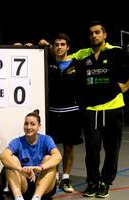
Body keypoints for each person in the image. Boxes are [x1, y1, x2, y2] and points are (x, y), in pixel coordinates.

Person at [71, 21, 129, 198]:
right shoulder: (83, 54)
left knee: (112, 149)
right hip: (91, 109)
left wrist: (126, 86)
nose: (94, 36)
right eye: (91, 33)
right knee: (92, 148)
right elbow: (63, 57)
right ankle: (93, 181)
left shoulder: (116, 52)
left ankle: (105, 182)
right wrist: (45, 46)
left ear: (104, 35)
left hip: (113, 107)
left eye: (97, 32)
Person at [38, 33, 83, 193]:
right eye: (56, 44)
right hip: (52, 112)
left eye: (62, 44)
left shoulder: (76, 65)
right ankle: (54, 176)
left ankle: (65, 178)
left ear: (68, 47)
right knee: (52, 147)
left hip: (71, 112)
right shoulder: (48, 63)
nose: (59, 47)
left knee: (69, 147)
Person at [0, 109, 62, 200]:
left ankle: (36, 197)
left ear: (39, 126)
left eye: (32, 124)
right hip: (24, 185)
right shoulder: (17, 141)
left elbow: (58, 156)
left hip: (43, 185)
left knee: (48, 158)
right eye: (26, 124)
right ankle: (18, 197)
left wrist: (40, 167)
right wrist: (20, 169)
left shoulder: (46, 139)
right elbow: (3, 156)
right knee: (12, 160)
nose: (28, 127)